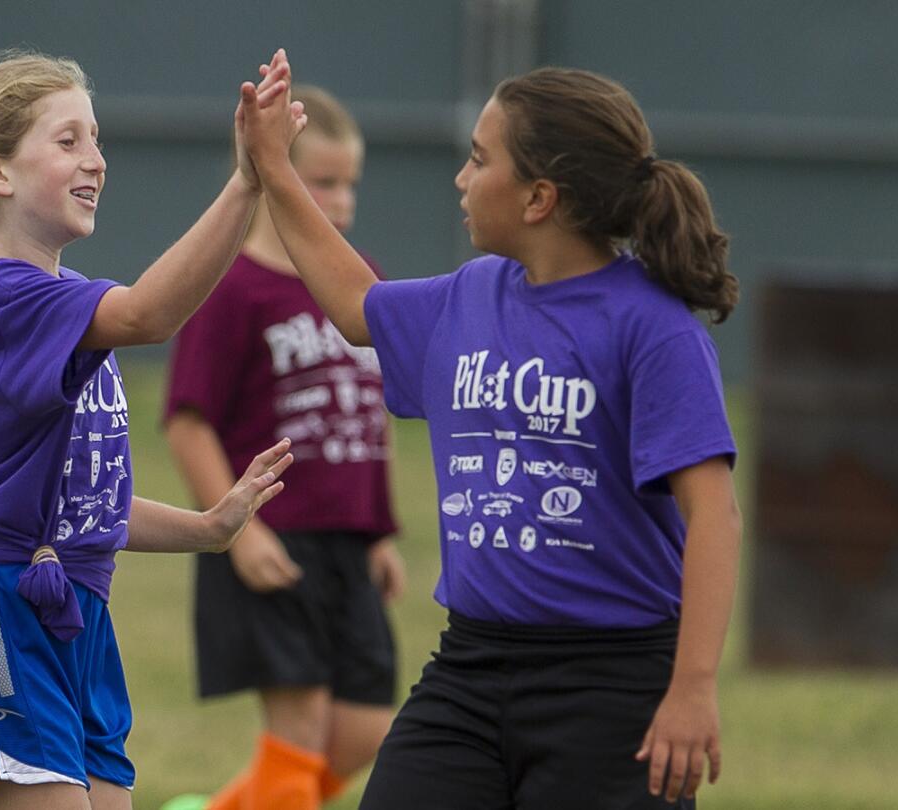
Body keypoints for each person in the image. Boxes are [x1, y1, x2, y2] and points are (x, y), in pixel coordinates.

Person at [239, 54, 742, 809]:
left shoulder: (652, 329)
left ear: (540, 196)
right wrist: (275, 168)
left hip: (614, 686)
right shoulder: (472, 295)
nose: (461, 179)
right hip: (471, 669)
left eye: (480, 160)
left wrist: (692, 690)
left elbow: (715, 517)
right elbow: (354, 305)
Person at [0, 49, 307, 810]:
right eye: (67, 141)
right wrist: (247, 182)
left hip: (75, 621)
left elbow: (83, 512)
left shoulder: (59, 300)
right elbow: (149, 315)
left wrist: (209, 526)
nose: (95, 160)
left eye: (96, 139)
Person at [161, 86, 405, 810]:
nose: (342, 199)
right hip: (273, 540)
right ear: (274, 176)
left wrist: (380, 532)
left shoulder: (360, 285)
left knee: (362, 731)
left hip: (348, 547)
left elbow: (367, 418)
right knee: (297, 731)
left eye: (349, 183)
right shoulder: (232, 287)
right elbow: (186, 420)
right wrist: (238, 532)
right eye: (322, 181)